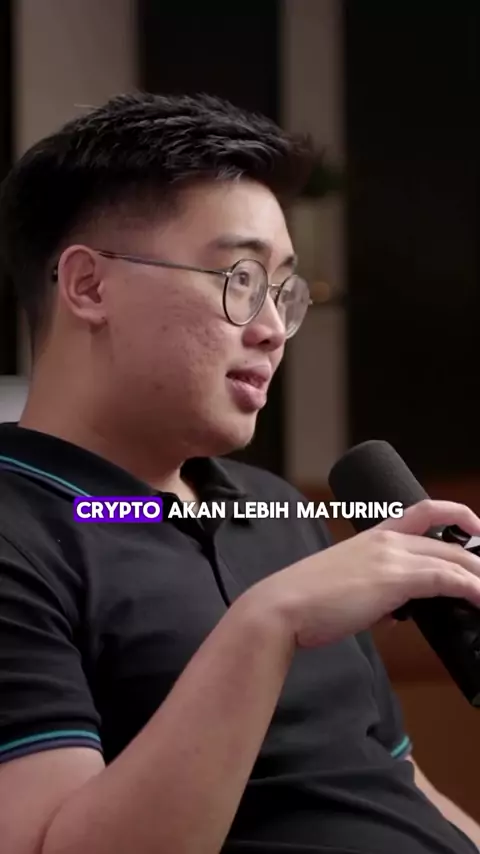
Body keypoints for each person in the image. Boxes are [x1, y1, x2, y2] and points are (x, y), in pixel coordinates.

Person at [0, 92, 479, 854]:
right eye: (241, 279)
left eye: (282, 293)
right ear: (89, 286)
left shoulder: (273, 508)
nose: (272, 330)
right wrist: (269, 623)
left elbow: (392, 783)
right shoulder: (18, 529)